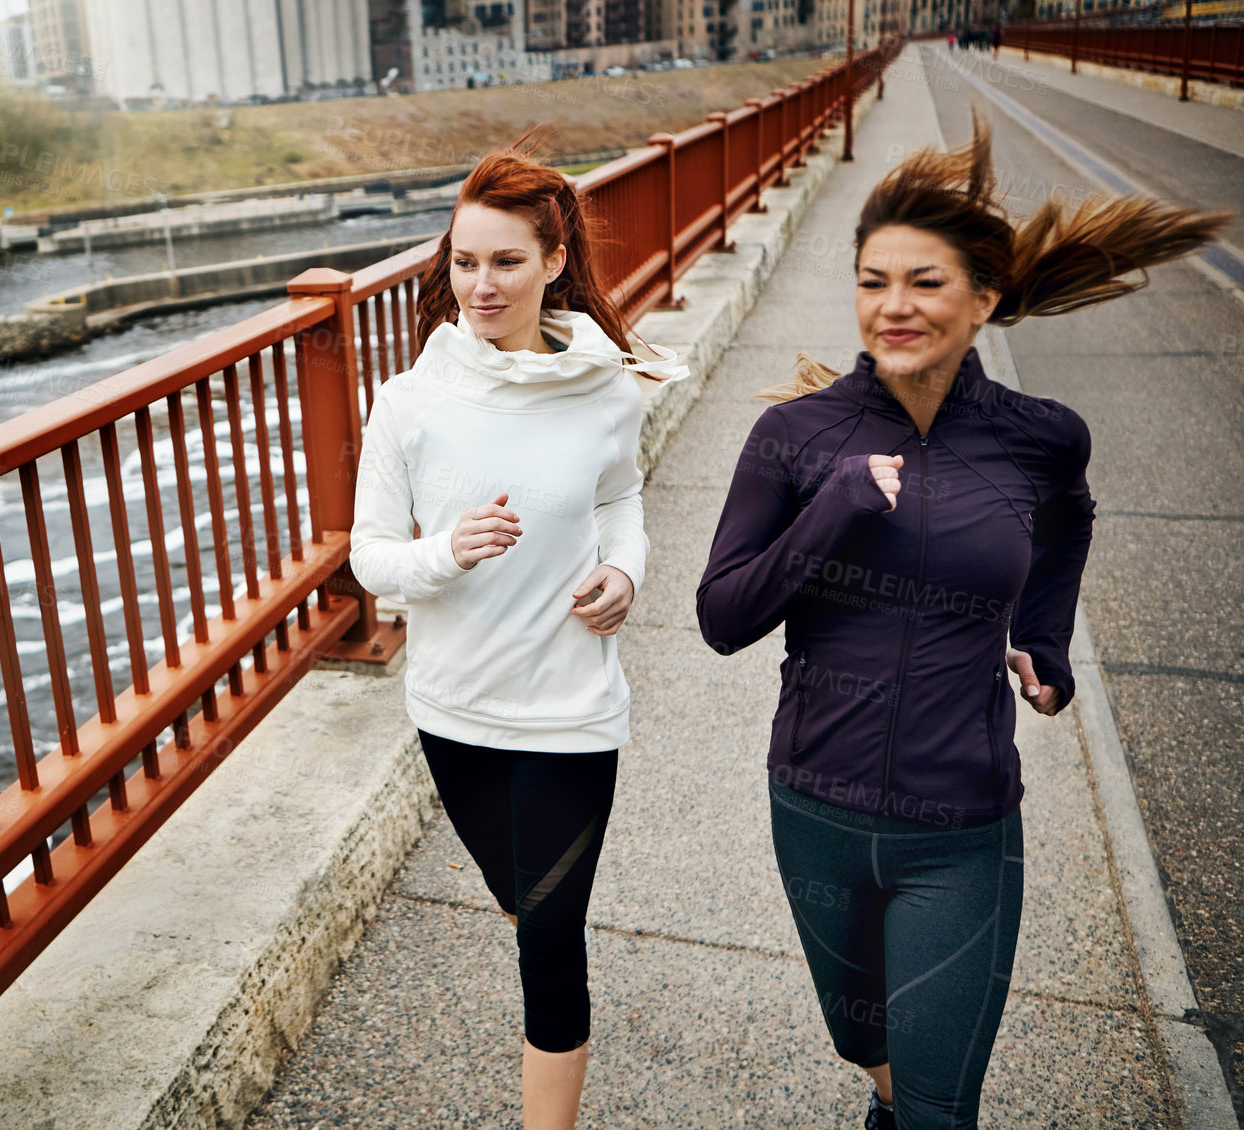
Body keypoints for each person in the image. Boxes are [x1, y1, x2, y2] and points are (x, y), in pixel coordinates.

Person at [694, 109, 1229, 1130]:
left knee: (940, 1109)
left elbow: (1069, 524)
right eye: (872, 282)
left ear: (983, 297)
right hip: (814, 808)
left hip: (962, 826)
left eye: (923, 282)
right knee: (866, 1048)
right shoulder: (795, 437)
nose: (892, 305)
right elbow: (722, 615)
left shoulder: (1039, 439)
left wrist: (1044, 635)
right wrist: (835, 507)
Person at [347, 123, 689, 1130]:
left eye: (505, 261)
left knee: (549, 939)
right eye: (463, 261)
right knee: (525, 903)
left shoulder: (608, 386)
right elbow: (371, 559)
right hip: (452, 713)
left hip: (570, 713)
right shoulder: (409, 403)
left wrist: (624, 568)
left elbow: (622, 499)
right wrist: (446, 550)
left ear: (553, 262)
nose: (480, 284)